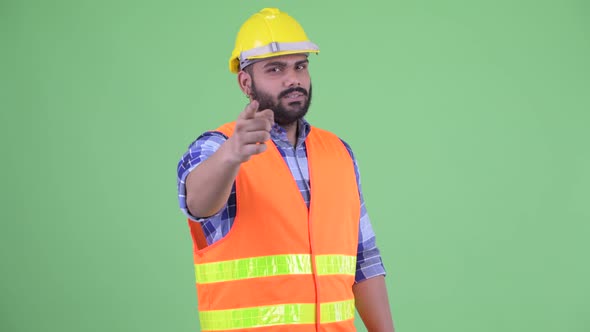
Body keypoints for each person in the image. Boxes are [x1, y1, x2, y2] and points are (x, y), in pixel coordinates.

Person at [177, 7, 395, 332]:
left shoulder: (339, 153)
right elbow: (197, 203)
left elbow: (364, 261)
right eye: (275, 69)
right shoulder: (216, 148)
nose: (293, 78)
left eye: (300, 66)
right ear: (246, 82)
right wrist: (231, 155)